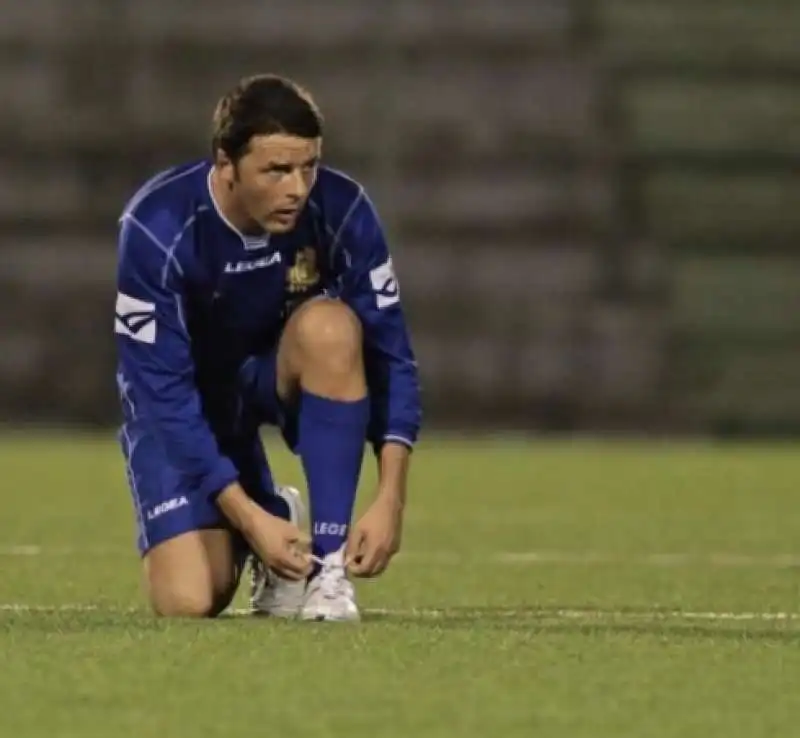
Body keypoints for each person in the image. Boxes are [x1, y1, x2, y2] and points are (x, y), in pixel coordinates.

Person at [114, 73, 421, 621]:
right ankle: (270, 510)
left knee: (331, 328)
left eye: (308, 167)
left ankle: (326, 569)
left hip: (273, 376)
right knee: (187, 600)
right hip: (189, 405)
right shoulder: (157, 225)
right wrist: (251, 520)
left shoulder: (342, 208)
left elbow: (393, 352)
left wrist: (391, 494)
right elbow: (159, 391)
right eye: (276, 170)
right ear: (225, 165)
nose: (298, 188)